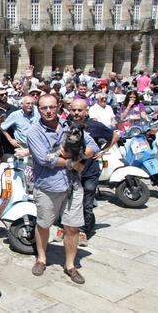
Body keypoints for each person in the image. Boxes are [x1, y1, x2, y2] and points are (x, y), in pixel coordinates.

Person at [26, 94, 98, 285]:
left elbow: (93, 145)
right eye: (43, 108)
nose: (48, 111)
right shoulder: (34, 132)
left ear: (58, 106)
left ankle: (70, 265)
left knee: (72, 227)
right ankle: (41, 258)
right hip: (47, 187)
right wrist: (72, 163)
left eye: (51, 107)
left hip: (73, 186)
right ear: (38, 109)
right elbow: (45, 159)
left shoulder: (70, 125)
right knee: (43, 224)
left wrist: (79, 156)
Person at [64, 99, 118, 246]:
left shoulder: (95, 125)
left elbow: (114, 135)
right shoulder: (65, 124)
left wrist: (102, 151)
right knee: (69, 201)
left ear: (86, 111)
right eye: (73, 110)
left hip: (90, 171)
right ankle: (68, 228)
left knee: (87, 203)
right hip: (71, 171)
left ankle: (83, 231)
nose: (76, 113)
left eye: (79, 110)